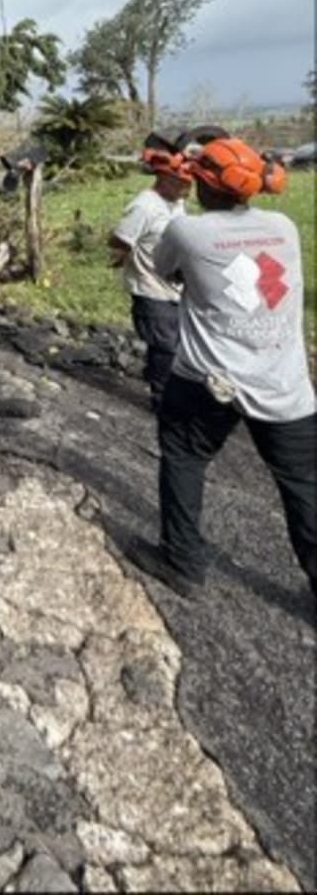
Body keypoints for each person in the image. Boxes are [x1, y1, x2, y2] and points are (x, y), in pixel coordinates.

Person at [125, 136, 316, 605]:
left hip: (211, 380)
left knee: (185, 456)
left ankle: (183, 561)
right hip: (286, 383)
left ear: (205, 185)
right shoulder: (285, 226)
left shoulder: (188, 232)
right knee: (303, 485)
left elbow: (166, 273)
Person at [108, 133, 195, 409]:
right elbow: (120, 239)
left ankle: (161, 380)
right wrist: (122, 259)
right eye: (182, 183)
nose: (187, 188)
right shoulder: (144, 206)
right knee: (165, 347)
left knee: (175, 344)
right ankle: (161, 400)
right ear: (164, 178)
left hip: (176, 288)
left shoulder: (177, 202)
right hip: (150, 289)